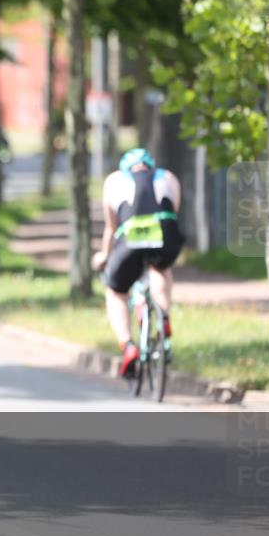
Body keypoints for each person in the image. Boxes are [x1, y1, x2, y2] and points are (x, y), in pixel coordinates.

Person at [92, 148, 184, 378]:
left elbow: (111, 227)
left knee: (116, 292)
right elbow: (173, 212)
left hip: (130, 239)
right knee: (161, 268)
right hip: (164, 233)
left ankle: (128, 345)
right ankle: (163, 316)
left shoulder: (114, 180)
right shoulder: (168, 177)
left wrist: (104, 256)